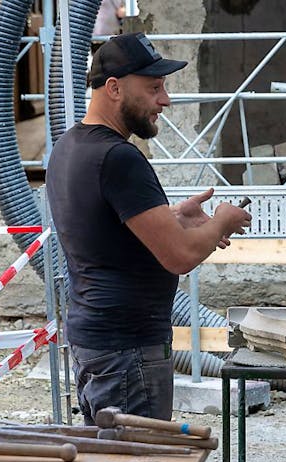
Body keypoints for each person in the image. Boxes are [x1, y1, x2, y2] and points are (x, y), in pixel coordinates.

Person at [46, 32, 251, 425]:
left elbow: (105, 233)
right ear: (114, 88)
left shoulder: (70, 147)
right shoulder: (120, 158)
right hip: (128, 351)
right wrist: (223, 218)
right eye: (154, 88)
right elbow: (181, 256)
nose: (165, 100)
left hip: (97, 342)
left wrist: (172, 218)